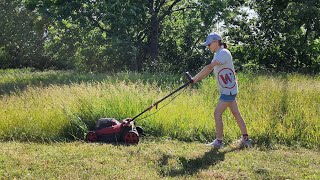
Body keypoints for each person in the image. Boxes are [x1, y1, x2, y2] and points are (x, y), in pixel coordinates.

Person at [191, 32, 252, 148]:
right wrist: (196, 79)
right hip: (230, 89)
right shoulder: (219, 53)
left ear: (216, 42)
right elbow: (209, 70)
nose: (208, 47)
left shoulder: (223, 53)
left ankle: (219, 142)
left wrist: (195, 79)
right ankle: (246, 139)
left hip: (228, 91)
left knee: (217, 113)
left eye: (209, 44)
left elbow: (209, 68)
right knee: (236, 114)